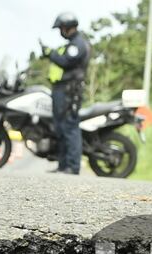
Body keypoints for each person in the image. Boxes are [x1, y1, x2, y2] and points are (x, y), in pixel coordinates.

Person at [40, 12, 91, 175]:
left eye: (61, 28)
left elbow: (66, 62)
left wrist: (51, 53)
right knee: (60, 128)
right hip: (61, 90)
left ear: (68, 27)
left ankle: (73, 166)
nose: (60, 31)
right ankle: (63, 166)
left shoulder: (78, 44)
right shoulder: (71, 44)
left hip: (69, 91)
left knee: (70, 127)